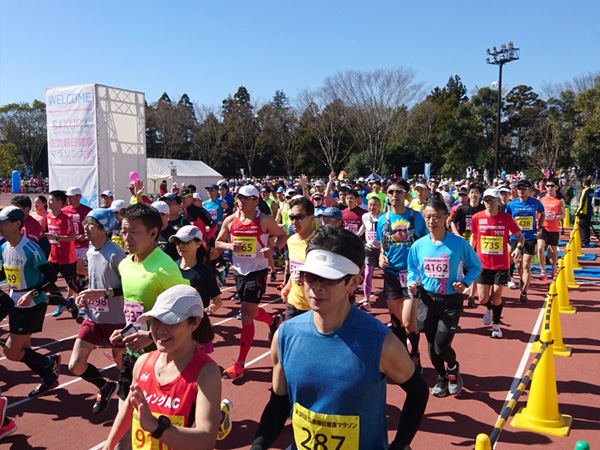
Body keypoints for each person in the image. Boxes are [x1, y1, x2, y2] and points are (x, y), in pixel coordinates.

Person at [250, 226, 428, 449]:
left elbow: (418, 393)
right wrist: (258, 445)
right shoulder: (284, 336)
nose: (316, 287)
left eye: (329, 278)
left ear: (353, 282)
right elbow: (279, 402)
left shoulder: (383, 344)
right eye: (310, 276)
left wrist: (400, 445)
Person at [103, 285, 221, 450]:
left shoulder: (206, 372)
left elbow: (206, 441)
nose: (160, 329)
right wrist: (109, 445)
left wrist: (155, 427)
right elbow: (129, 408)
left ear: (194, 323)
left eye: (171, 321)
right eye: (156, 320)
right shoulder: (143, 362)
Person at [108, 204, 188, 404]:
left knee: (164, 420)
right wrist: (126, 330)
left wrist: (151, 335)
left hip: (163, 355)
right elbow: (135, 308)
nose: (127, 238)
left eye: (133, 232)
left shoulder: (163, 268)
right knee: (125, 417)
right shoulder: (125, 265)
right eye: (123, 231)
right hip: (133, 353)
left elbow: (188, 311)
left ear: (153, 233)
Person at [408, 199, 481, 397]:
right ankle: (441, 376)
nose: (432, 221)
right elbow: (413, 269)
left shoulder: (458, 244)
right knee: (431, 345)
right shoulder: (419, 245)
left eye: (436, 217)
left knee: (441, 346)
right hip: (428, 300)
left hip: (450, 301)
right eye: (428, 217)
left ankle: (452, 367)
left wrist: (465, 282)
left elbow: (476, 265)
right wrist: (413, 282)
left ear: (446, 218)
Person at [216, 185, 288, 379]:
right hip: (238, 271)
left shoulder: (265, 220)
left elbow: (283, 236)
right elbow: (217, 243)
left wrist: (274, 251)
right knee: (251, 311)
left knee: (246, 313)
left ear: (256, 201)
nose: (241, 200)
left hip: (257, 271)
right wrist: (230, 245)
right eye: (239, 197)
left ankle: (240, 364)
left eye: (246, 198)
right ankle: (272, 321)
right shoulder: (230, 220)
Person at [0, 206, 61, 398]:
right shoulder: (3, 247)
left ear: (17, 224)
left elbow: (50, 276)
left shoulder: (30, 249)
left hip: (33, 303)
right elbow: (6, 273)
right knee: (23, 349)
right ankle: (48, 375)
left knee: (11, 351)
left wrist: (33, 293)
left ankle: (49, 364)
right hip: (14, 301)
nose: (0, 226)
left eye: (4, 223)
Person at [70, 208, 126, 415]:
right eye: (85, 223)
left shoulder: (116, 254)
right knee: (75, 365)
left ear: (104, 228)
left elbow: (129, 288)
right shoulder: (91, 251)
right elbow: (95, 283)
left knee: (123, 370)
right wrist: (84, 295)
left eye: (90, 223)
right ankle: (104, 387)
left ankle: (129, 412)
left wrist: (103, 293)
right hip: (93, 317)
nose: (84, 227)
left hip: (117, 321)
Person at [377, 178, 427, 371]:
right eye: (390, 192)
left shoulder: (417, 217)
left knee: (409, 322)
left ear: (406, 194)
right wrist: (381, 255)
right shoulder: (383, 219)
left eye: (399, 192)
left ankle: (414, 351)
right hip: (391, 274)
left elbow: (427, 241)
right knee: (396, 322)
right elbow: (384, 243)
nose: (394, 195)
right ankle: (402, 356)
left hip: (412, 275)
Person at [471, 189, 524, 338]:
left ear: (498, 202)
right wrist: (469, 254)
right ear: (483, 202)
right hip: (482, 264)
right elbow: (474, 238)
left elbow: (520, 237)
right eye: (486, 200)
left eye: (492, 200)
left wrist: (518, 249)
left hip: (501, 264)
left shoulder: (506, 218)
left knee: (496, 297)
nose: (489, 203)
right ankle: (490, 308)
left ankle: (496, 325)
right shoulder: (477, 218)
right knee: (482, 299)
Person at [170, 225, 222, 352]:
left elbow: (218, 301)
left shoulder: (205, 273)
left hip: (195, 327)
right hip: (174, 325)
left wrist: (208, 310)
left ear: (199, 244)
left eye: (186, 242)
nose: (180, 246)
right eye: (178, 242)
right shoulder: (171, 268)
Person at [505, 180, 545, 302]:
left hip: (529, 237)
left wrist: (540, 227)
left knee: (526, 264)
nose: (521, 191)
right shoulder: (511, 204)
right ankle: (522, 279)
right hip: (515, 238)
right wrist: (509, 230)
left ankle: (524, 292)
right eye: (519, 189)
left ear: (528, 190)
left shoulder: (535, 203)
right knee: (517, 264)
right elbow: (507, 218)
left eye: (523, 189)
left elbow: (542, 213)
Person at [280, 196, 316, 320]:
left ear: (311, 218)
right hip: (293, 302)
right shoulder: (291, 241)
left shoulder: (320, 243)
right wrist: (288, 286)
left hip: (313, 305)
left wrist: (307, 279)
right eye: (292, 217)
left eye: (299, 217)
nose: (294, 222)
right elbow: (296, 270)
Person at [46, 189, 79, 318]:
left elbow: (72, 237)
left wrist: (56, 237)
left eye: (51, 200)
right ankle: (65, 302)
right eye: (48, 200)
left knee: (75, 286)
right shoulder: (48, 217)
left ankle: (90, 307)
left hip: (67, 259)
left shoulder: (66, 219)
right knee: (47, 282)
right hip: (53, 258)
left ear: (59, 202)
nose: (48, 202)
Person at [63, 186, 93, 291]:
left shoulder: (87, 211)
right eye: (68, 196)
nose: (69, 199)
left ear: (79, 197)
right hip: (68, 244)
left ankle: (96, 276)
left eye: (71, 196)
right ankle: (70, 297)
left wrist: (85, 236)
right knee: (74, 271)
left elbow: (91, 227)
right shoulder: (64, 211)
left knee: (77, 269)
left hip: (81, 244)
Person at [358, 195, 382, 311]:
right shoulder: (365, 216)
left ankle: (388, 294)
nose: (372, 207)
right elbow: (364, 227)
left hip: (382, 250)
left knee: (388, 274)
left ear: (380, 206)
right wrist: (357, 235)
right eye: (370, 205)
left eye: (375, 205)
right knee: (368, 274)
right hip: (369, 249)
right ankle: (367, 300)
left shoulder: (384, 217)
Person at [538, 179, 566, 279]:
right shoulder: (541, 199)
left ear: (556, 187)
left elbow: (563, 215)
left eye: (552, 186)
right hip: (543, 227)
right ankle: (543, 271)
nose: (549, 188)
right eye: (548, 186)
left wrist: (554, 217)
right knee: (540, 247)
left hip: (554, 228)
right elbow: (538, 213)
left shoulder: (559, 200)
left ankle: (554, 267)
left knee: (553, 249)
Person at [576, 177, 595, 248]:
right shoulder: (591, 190)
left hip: (584, 211)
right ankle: (587, 241)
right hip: (589, 210)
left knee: (582, 226)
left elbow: (582, 201)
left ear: (584, 184)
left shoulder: (585, 191)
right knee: (587, 226)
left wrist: (578, 211)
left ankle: (584, 242)